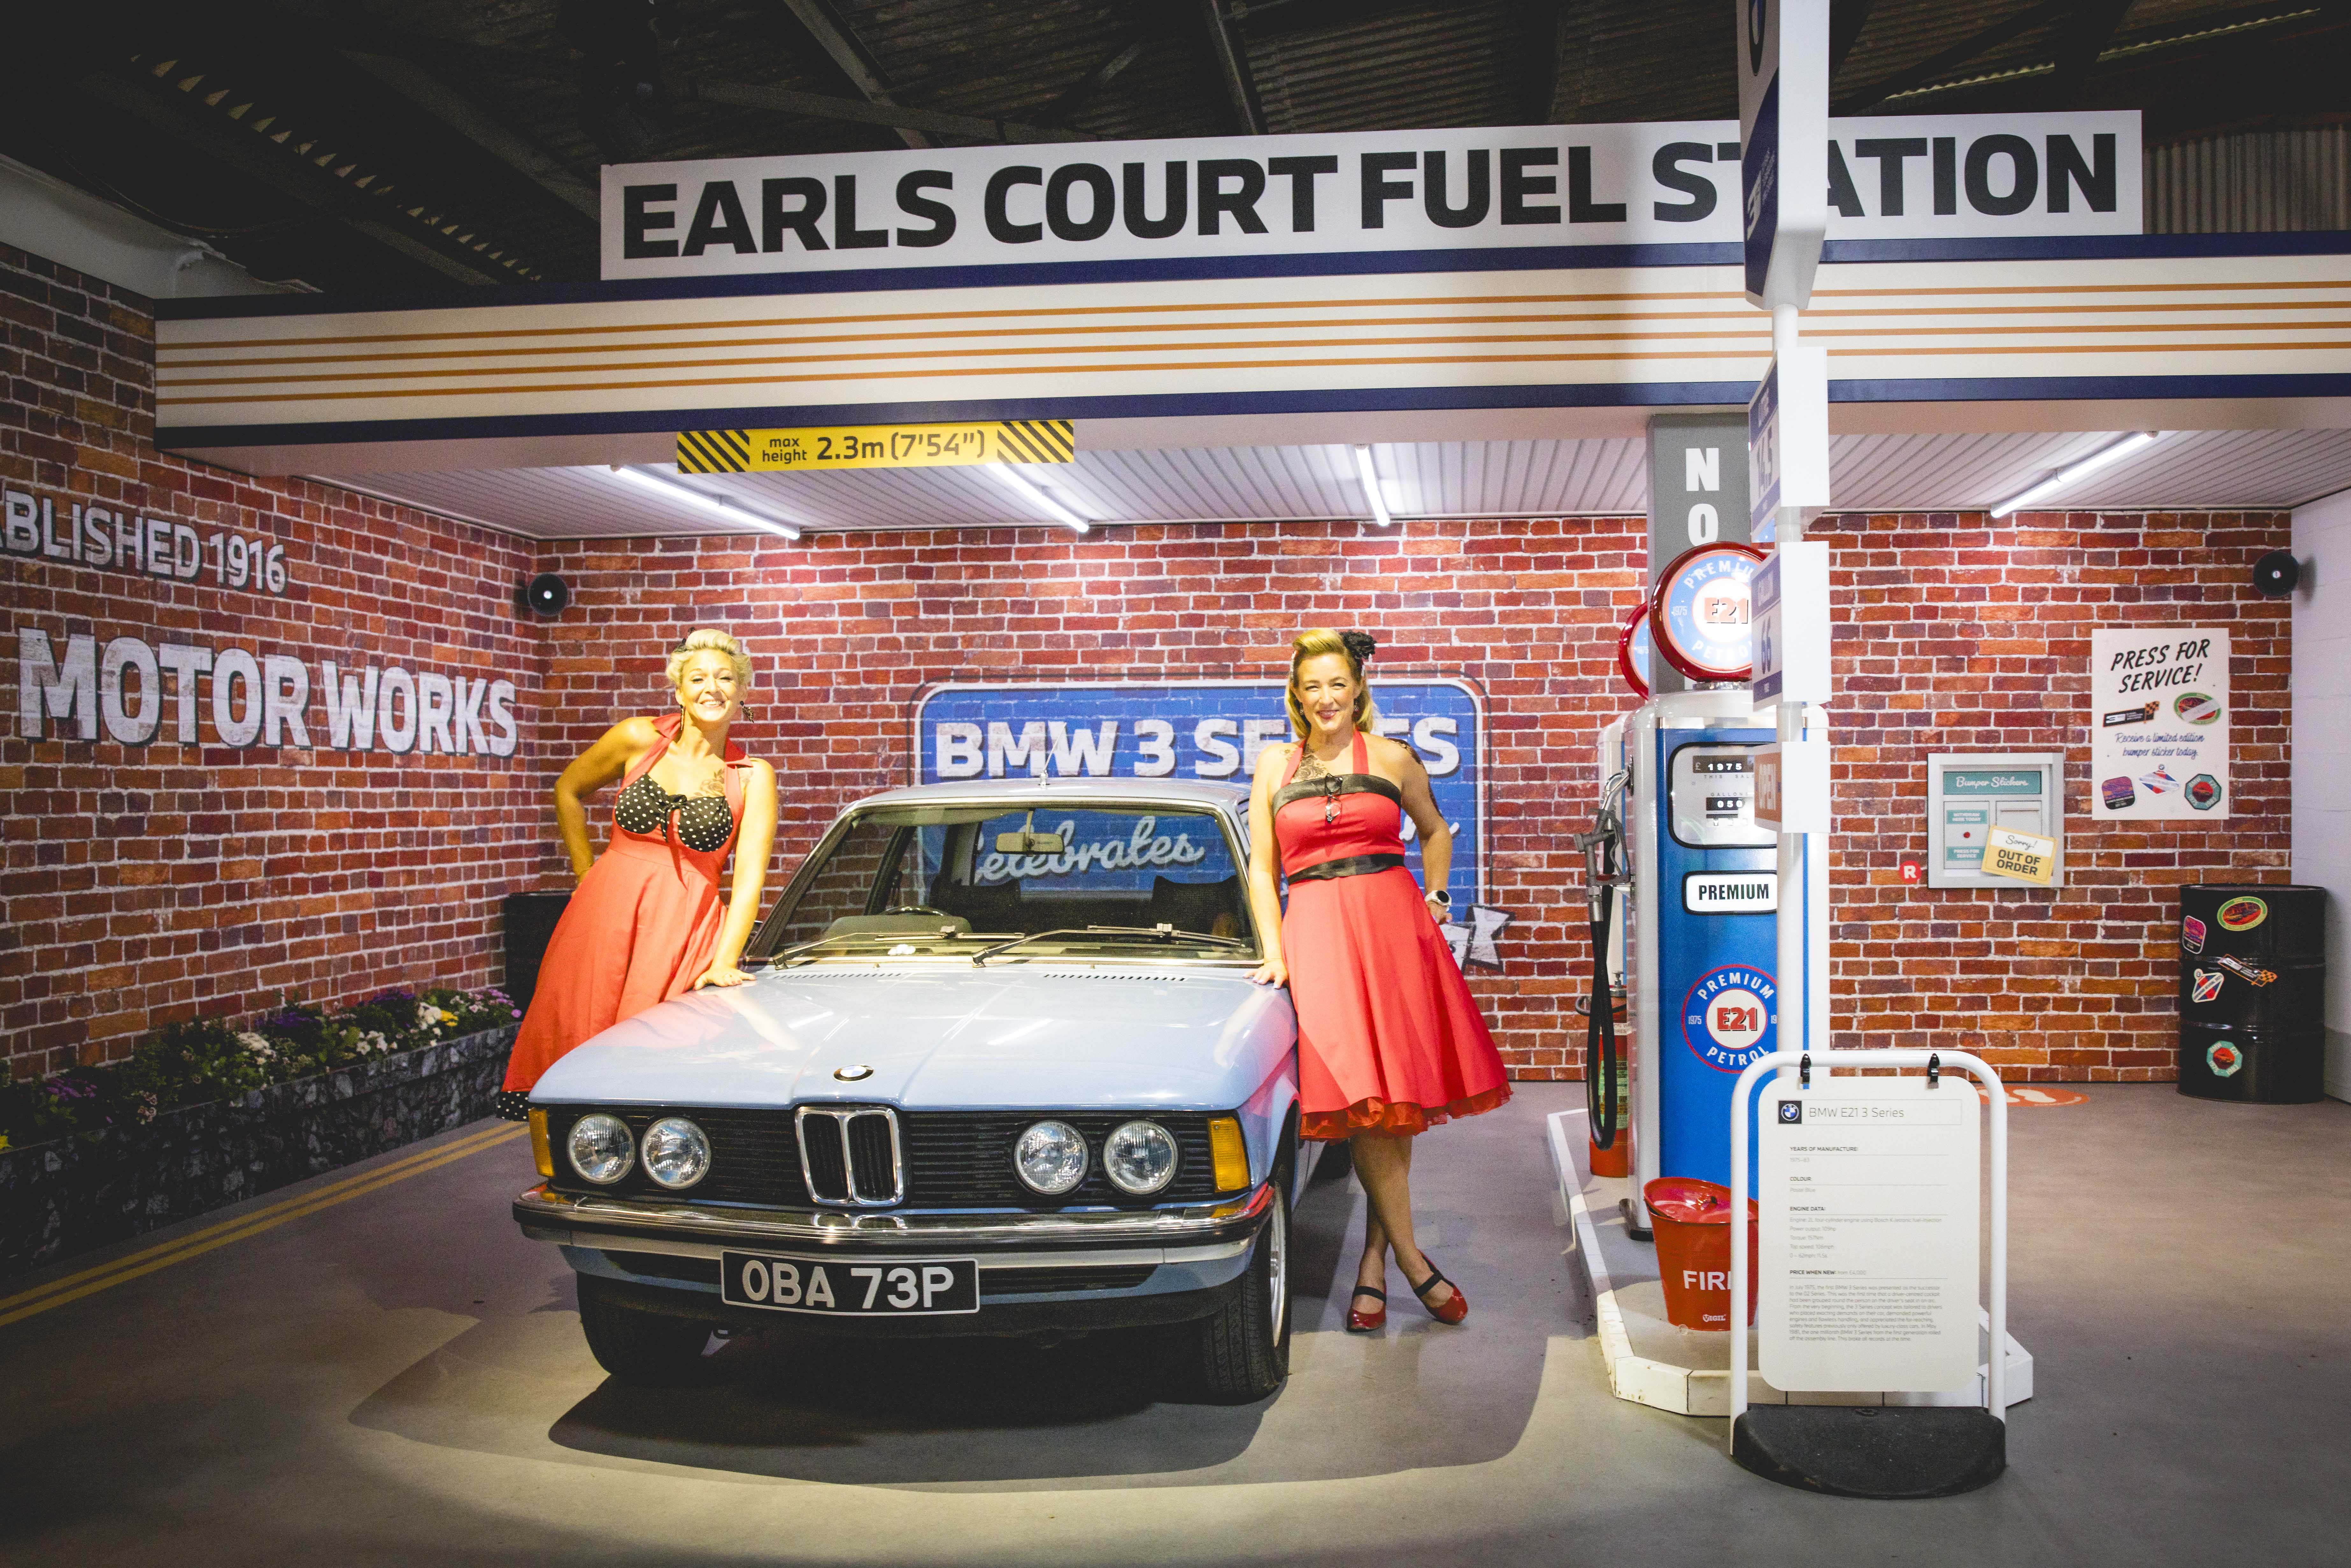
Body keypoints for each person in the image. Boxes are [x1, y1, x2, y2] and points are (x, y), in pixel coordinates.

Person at [1246, 629, 1511, 1330]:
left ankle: (1374, 1263)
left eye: (1338, 683)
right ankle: (1412, 1262)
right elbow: (1261, 870)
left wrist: (1436, 898)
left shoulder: (1392, 756)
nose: (1326, 697)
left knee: (1391, 1103)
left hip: (1394, 933)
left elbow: (1435, 830)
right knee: (1362, 1099)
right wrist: (1275, 951)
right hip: (1317, 939)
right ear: (1296, 695)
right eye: (1312, 686)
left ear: (1357, 688)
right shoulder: (1273, 764)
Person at [495, 629, 779, 1118]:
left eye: (725, 678)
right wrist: (584, 874)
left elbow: (749, 882)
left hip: (682, 931)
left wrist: (724, 961)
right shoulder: (636, 738)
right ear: (679, 691)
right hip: (601, 919)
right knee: (577, 1051)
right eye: (698, 678)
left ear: (742, 694)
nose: (711, 688)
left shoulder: (753, 775)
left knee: (655, 1067)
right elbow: (568, 790)